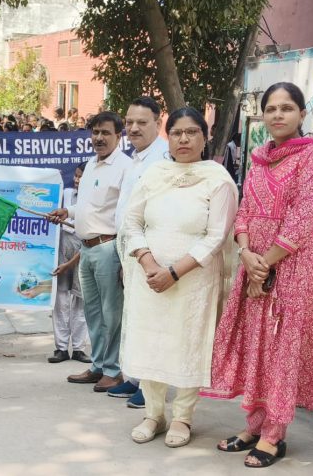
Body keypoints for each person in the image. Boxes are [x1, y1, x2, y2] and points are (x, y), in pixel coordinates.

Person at [201, 82, 313, 468]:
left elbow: (299, 221)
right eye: (271, 108)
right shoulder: (259, 157)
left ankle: (274, 436)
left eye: (287, 108)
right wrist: (246, 254)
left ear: (301, 115)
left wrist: (265, 263)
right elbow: (244, 212)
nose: (278, 115)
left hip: (294, 270)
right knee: (256, 347)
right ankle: (255, 425)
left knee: (280, 351)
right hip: (255, 265)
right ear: (262, 114)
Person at [122, 107, 237, 448]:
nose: (184, 139)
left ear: (205, 137)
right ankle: (153, 414)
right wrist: (148, 263)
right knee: (151, 341)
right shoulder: (153, 173)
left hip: (194, 280)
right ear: (167, 137)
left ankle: (183, 417)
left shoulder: (218, 180)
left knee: (189, 343)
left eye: (192, 132)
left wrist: (174, 272)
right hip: (150, 279)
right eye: (176, 133)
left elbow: (216, 236)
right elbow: (132, 223)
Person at [48, 111, 130, 393]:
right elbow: (88, 205)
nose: (99, 138)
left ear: (119, 135)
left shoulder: (126, 168)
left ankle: (113, 370)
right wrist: (66, 211)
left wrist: (124, 256)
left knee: (112, 314)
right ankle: (97, 366)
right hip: (87, 249)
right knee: (93, 313)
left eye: (106, 132)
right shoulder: (92, 165)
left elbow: (126, 215)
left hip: (108, 248)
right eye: (95, 132)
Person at [108, 96, 171, 406]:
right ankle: (134, 378)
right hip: (130, 247)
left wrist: (145, 257)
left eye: (141, 122)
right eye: (129, 122)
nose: (133, 128)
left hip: (149, 250)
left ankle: (151, 388)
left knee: (151, 318)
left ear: (158, 123)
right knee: (134, 314)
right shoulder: (135, 157)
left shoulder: (163, 159)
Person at [47, 163, 90, 364]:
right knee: (60, 299)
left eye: (81, 177)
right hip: (63, 244)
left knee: (81, 301)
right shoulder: (64, 193)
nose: (77, 180)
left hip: (85, 247)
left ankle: (80, 348)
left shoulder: (96, 200)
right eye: (76, 176)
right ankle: (61, 348)